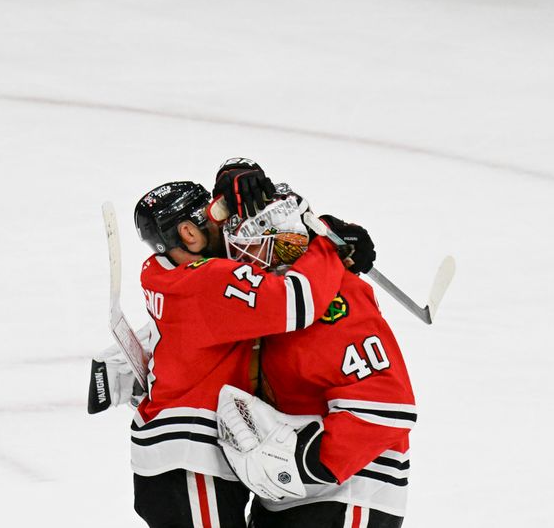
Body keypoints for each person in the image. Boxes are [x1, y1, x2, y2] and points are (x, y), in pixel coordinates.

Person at [129, 170, 351, 528]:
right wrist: (325, 243)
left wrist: (237, 169)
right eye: (212, 218)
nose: (226, 226)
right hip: (189, 460)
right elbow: (299, 299)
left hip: (179, 461)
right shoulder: (208, 281)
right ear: (188, 233)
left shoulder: (165, 273)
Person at [216, 201, 415, 528]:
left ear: (283, 247)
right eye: (237, 252)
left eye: (251, 251)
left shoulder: (337, 299)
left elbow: (387, 404)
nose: (242, 265)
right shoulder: (273, 305)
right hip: (285, 501)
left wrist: (303, 462)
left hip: (347, 493)